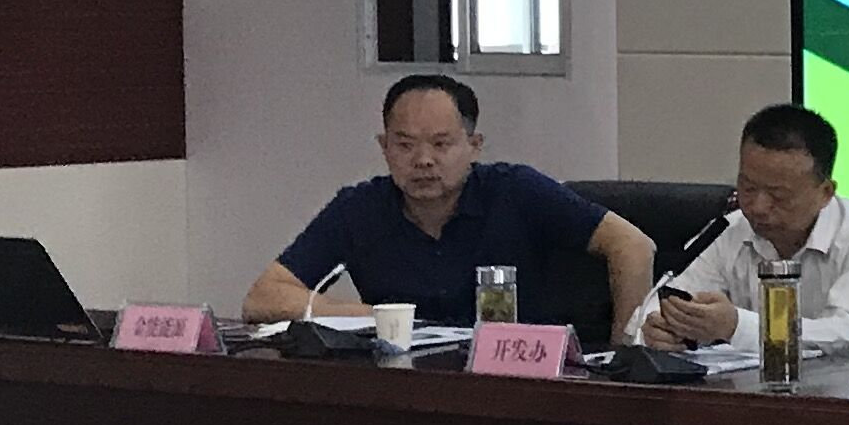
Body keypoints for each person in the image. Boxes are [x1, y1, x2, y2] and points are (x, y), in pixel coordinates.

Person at [245, 75, 655, 336]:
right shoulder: (359, 208)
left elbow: (633, 245)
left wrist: (626, 352)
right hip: (408, 388)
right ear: (384, 148)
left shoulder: (516, 191)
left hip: (521, 381)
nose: (423, 160)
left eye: (441, 144)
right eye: (405, 145)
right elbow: (263, 298)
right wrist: (374, 317)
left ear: (474, 146)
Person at [638, 101, 849, 357]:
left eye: (778, 195)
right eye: (748, 188)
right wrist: (658, 328)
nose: (758, 207)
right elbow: (663, 300)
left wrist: (736, 327)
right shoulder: (728, 230)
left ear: (825, 193)